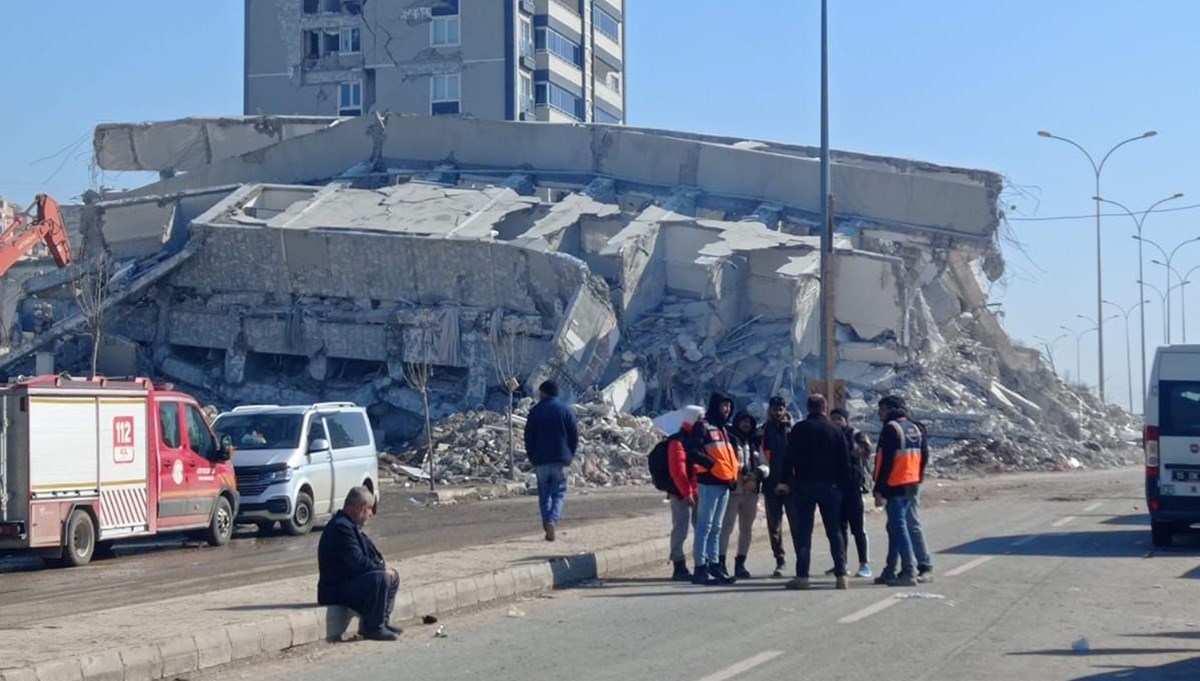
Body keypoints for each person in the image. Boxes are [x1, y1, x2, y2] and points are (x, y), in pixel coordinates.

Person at [776, 394, 852, 591]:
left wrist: (784, 481)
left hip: (805, 485)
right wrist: (845, 487)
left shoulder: (800, 429)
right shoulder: (835, 431)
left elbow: (789, 457)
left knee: (804, 532)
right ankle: (841, 574)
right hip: (831, 487)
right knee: (834, 531)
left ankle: (802, 576)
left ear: (808, 408)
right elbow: (845, 462)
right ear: (825, 408)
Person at [317, 486, 401, 641]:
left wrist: (382, 567)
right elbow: (357, 562)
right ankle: (372, 628)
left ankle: (382, 621)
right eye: (369, 509)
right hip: (335, 588)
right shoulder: (340, 527)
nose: (370, 514)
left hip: (350, 581)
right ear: (358, 508)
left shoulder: (352, 526)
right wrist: (380, 570)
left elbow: (371, 554)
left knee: (393, 576)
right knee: (380, 578)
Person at [871, 395, 928, 587]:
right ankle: (891, 570)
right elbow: (924, 457)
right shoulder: (915, 427)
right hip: (911, 482)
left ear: (890, 409)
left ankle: (909, 570)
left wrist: (879, 489)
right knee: (896, 527)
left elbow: (886, 462)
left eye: (882, 409)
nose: (879, 413)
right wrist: (917, 478)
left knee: (899, 527)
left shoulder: (891, 429)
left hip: (896, 484)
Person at [691, 391, 740, 586]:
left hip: (724, 482)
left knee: (716, 528)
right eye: (724, 406)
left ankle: (715, 565)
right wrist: (712, 466)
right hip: (709, 482)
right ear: (715, 406)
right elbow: (693, 451)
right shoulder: (703, 426)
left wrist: (732, 475)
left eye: (729, 406)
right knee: (704, 526)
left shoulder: (723, 429)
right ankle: (700, 567)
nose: (727, 410)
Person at [524, 380, 579, 541]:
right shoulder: (566, 411)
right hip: (561, 460)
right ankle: (553, 520)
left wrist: (532, 456)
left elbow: (528, 437)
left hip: (541, 460)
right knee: (559, 494)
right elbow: (574, 436)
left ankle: (547, 522)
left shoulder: (535, 412)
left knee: (544, 495)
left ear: (543, 393)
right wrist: (569, 455)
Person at [719, 411, 769, 580]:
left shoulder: (755, 442)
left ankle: (740, 562)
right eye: (743, 421)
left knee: (746, 529)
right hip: (733, 490)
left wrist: (760, 472)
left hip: (751, 491)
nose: (746, 424)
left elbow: (765, 464)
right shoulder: (730, 440)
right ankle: (720, 562)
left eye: (749, 421)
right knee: (726, 527)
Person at [829, 407, 874, 579]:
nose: (835, 422)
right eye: (833, 419)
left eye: (839, 419)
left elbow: (866, 452)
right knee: (839, 529)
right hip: (835, 488)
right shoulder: (829, 435)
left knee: (858, 529)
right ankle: (842, 563)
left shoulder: (856, 434)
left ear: (845, 420)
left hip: (853, 488)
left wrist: (847, 442)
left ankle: (864, 564)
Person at [664, 406, 704, 581]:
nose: (703, 422)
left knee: (701, 528)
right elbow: (678, 470)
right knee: (681, 528)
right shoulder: (677, 441)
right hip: (682, 494)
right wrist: (686, 491)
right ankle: (678, 565)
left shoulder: (697, 440)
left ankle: (700, 563)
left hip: (697, 491)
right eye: (701, 418)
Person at [760, 396, 792, 577]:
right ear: (769, 410)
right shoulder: (764, 431)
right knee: (774, 525)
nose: (778, 412)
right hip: (771, 485)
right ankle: (780, 559)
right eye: (775, 409)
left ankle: (802, 561)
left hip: (791, 486)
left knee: (797, 524)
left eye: (780, 409)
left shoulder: (793, 429)